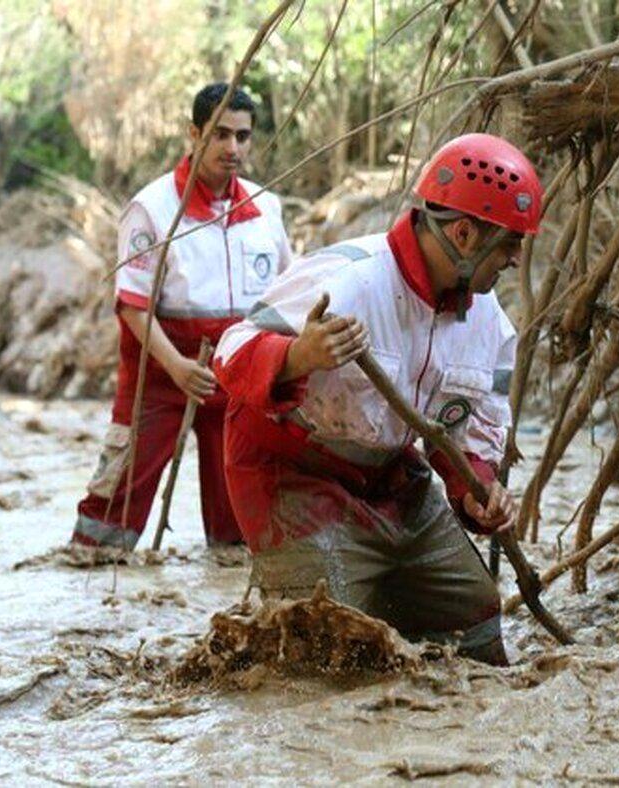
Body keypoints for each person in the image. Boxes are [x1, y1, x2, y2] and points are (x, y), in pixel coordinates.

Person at [213, 133, 543, 665]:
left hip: (389, 476)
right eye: (508, 245)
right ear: (463, 233)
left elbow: (464, 440)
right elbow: (231, 351)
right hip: (291, 473)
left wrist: (478, 492)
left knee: (475, 613)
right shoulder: (346, 277)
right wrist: (299, 356)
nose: (514, 259)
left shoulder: (491, 328)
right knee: (331, 640)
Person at [71, 83, 292, 549]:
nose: (233, 148)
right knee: (111, 513)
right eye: (220, 134)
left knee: (238, 526)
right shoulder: (152, 209)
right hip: (160, 372)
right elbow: (132, 305)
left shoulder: (267, 208)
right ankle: (91, 577)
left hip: (235, 376)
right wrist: (177, 367)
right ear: (194, 134)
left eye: (243, 137)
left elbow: (286, 295)